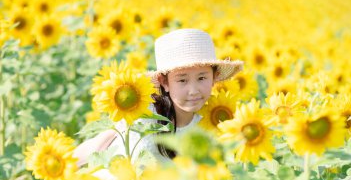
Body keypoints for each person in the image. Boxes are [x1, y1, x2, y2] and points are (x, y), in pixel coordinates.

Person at [74, 28, 244, 169]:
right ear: (165, 82)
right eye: (182, 80)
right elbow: (105, 142)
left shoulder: (209, 120)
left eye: (202, 78)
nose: (193, 91)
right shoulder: (146, 114)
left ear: (214, 78)